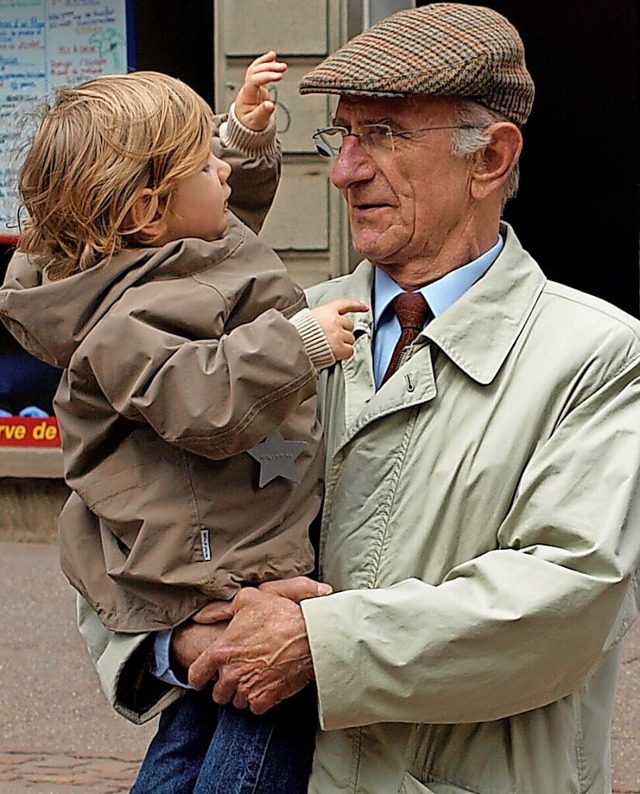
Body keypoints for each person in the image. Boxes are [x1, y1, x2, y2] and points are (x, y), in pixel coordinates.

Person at [27, 4, 640, 792]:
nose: (345, 170)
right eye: (342, 135)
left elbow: (567, 601)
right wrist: (176, 644)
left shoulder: (595, 354)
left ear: (490, 158)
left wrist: (316, 642)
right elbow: (120, 506)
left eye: (382, 134)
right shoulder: (262, 330)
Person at [0, 53, 367, 793]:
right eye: (208, 164)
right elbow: (199, 400)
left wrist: (243, 135)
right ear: (146, 213)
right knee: (263, 705)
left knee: (194, 721)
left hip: (222, 526)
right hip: (217, 548)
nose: (222, 177)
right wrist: (298, 343)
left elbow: (223, 239)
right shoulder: (121, 321)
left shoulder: (156, 253)